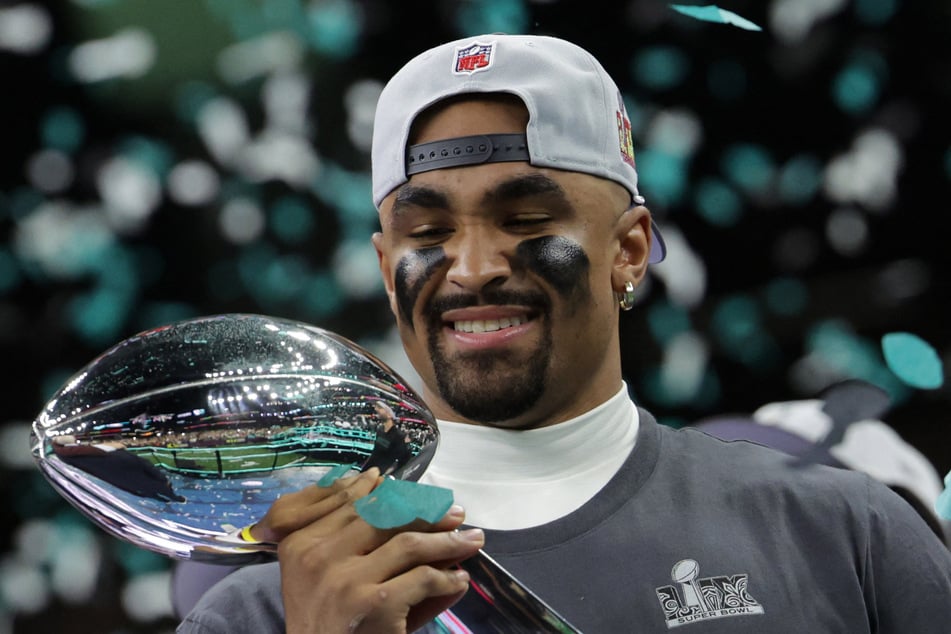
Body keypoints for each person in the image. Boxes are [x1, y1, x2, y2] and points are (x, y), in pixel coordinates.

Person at [177, 34, 951, 633]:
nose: (472, 267)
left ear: (629, 249)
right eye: (428, 231)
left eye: (525, 219)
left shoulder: (840, 534)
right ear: (385, 267)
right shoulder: (266, 610)